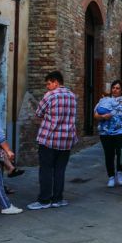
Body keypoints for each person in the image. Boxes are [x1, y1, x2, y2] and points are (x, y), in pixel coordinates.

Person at [27, 71, 78, 210]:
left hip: (49, 139)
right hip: (66, 139)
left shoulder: (50, 96)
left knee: (46, 170)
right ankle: (57, 199)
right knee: (60, 170)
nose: (47, 87)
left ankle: (44, 200)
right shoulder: (73, 96)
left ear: (56, 82)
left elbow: (38, 113)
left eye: (48, 84)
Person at [94, 80, 122, 188]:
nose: (115, 90)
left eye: (118, 88)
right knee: (109, 155)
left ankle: (119, 172)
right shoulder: (104, 101)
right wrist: (103, 117)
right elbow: (95, 115)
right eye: (113, 87)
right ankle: (111, 177)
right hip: (105, 133)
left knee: (120, 153)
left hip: (120, 132)